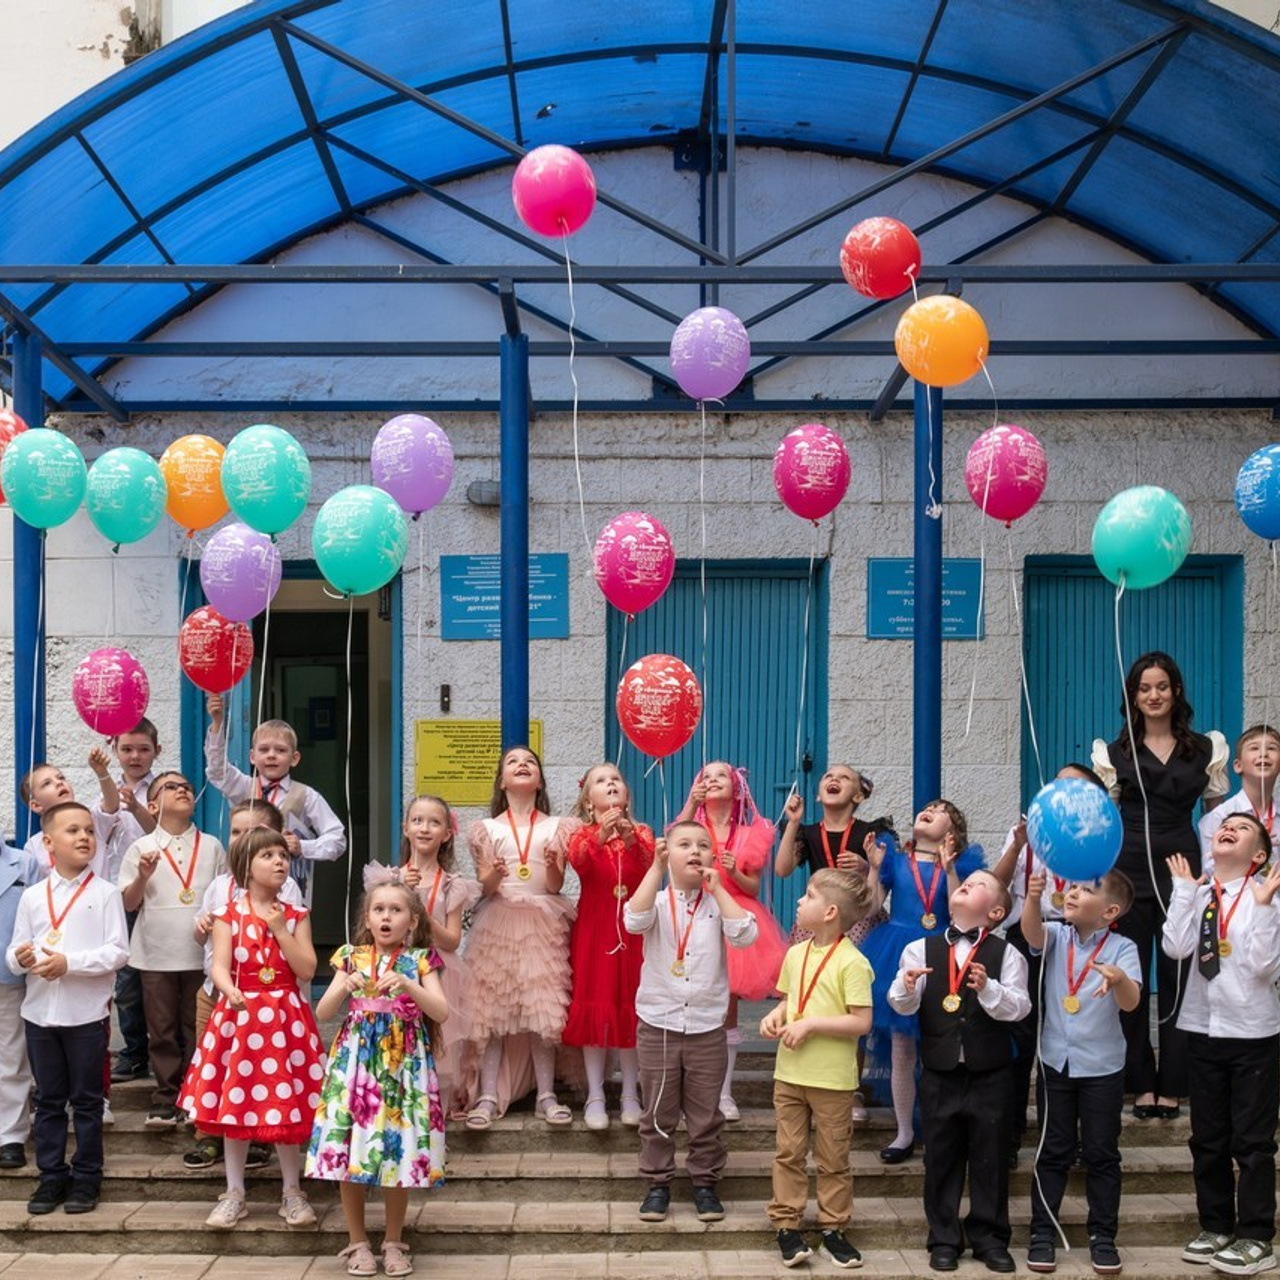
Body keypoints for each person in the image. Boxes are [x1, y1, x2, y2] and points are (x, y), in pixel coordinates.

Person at [1092, 651, 1229, 1119]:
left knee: (1179, 976)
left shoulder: (1206, 749)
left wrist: (1217, 874)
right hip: (1126, 872)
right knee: (1131, 972)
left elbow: (1217, 819)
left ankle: (1173, 1082)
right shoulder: (1113, 754)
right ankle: (1140, 1083)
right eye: (1144, 688)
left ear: (1176, 692)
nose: (1154, 695)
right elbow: (1104, 822)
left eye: (1162, 687)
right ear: (1133, 695)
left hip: (1184, 871)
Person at [179, 828, 325, 1231]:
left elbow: (307, 969)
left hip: (284, 1015)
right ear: (246, 865)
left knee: (285, 1101)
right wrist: (229, 991)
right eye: (268, 856)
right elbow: (219, 965)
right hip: (240, 1018)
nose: (280, 862)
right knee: (236, 1103)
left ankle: (292, 1191)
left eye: (282, 855)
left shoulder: (296, 915)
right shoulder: (227, 914)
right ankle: (234, 1192)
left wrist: (280, 929)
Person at [888, 870, 1030, 1274]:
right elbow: (903, 1006)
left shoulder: (1008, 955)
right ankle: (944, 1237)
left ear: (997, 911)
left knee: (992, 1156)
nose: (967, 883)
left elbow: (1020, 1008)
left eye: (980, 884)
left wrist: (988, 989)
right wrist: (905, 984)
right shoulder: (919, 949)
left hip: (991, 1072)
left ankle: (989, 1237)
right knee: (941, 1157)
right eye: (965, 882)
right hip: (940, 1070)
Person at [308, 881, 448, 1278]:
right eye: (379, 910)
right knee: (351, 1146)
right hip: (356, 1067)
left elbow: (441, 1012)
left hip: (403, 1068)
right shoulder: (350, 957)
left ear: (412, 920)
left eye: (396, 910)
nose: (386, 916)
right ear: (367, 920)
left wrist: (409, 985)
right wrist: (344, 988)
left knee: (397, 1148)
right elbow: (323, 1011)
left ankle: (392, 1241)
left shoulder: (421, 959)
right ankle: (357, 1242)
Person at [624, 821, 758, 1225]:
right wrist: (653, 868)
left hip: (706, 1027)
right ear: (669, 854)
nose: (694, 850)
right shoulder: (658, 901)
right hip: (659, 1023)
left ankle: (704, 1183)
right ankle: (658, 1184)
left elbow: (745, 935)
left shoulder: (717, 903)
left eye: (703, 844)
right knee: (658, 1110)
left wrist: (719, 889)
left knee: (705, 1112)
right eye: (684, 844)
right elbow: (633, 920)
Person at [1164, 815, 1280, 1275]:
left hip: (1252, 1033)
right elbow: (1174, 947)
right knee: (1207, 1139)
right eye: (1223, 825)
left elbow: (1263, 967)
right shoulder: (1202, 893)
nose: (1227, 828)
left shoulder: (1265, 896)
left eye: (1242, 827)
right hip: (1203, 1028)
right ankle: (1215, 1226)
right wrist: (1182, 891)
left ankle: (1256, 1238)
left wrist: (1267, 906)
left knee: (1252, 1142)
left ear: (1258, 856)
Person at [5, 802, 128, 1215]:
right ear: (48, 842)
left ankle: (87, 1178)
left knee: (88, 1100)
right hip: (39, 1015)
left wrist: (70, 964)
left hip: (86, 1017)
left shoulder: (106, 893)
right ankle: (51, 1176)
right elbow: (15, 948)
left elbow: (118, 952)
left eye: (89, 831)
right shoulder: (34, 896)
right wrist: (19, 960)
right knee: (50, 1100)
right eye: (72, 830)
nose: (83, 838)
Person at [1022, 870, 1142, 1276]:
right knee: (1052, 1151)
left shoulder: (1123, 948)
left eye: (1086, 890)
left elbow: (1130, 1004)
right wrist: (1032, 898)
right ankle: (1042, 1232)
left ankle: (1103, 1236)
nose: (1073, 891)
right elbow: (1032, 934)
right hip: (1056, 1061)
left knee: (1101, 1153)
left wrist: (1119, 979)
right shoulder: (1056, 934)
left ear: (1109, 912)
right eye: (1072, 886)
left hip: (1103, 1066)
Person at [991, 763, 1106, 1167]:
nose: (1063, 790)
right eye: (1058, 784)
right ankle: (1009, 1134)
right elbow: (997, 885)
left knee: (1065, 1036)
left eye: (1075, 786)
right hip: (1028, 933)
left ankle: (1059, 1136)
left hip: (1076, 936)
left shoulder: (1098, 836)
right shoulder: (1027, 831)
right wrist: (1018, 845)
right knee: (1021, 1036)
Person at [459, 746, 580, 1129]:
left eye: (530, 762)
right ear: (501, 780)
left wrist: (554, 864)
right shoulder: (486, 829)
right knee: (493, 1010)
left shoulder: (559, 826)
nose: (522, 765)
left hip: (544, 918)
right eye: (512, 762)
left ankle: (547, 1094)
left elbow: (557, 883)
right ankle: (488, 1095)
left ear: (540, 780)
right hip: (499, 919)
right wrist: (494, 872)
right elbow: (486, 886)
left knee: (541, 1009)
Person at [761, 868, 875, 1270]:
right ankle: (787, 1225)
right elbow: (790, 1002)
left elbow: (861, 1022)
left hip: (832, 1080)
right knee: (788, 1152)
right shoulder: (795, 953)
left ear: (829, 912)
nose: (798, 901)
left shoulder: (853, 962)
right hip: (789, 1075)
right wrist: (776, 1016)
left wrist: (811, 1025)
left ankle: (833, 1228)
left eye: (807, 895)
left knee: (833, 1158)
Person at [860, 800, 983, 1163]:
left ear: (952, 831)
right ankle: (904, 1132)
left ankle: (942, 1125)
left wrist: (950, 870)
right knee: (901, 1048)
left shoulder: (961, 865)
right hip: (898, 953)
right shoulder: (895, 862)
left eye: (940, 809)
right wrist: (873, 869)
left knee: (941, 1040)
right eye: (926, 807)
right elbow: (870, 909)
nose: (928, 809)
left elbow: (965, 913)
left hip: (942, 951)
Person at [182, 799, 300, 1171]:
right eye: (236, 832)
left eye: (252, 833)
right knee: (221, 1070)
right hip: (218, 996)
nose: (241, 838)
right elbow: (207, 941)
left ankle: (262, 1139)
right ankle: (210, 1138)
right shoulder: (218, 887)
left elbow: (292, 943)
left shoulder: (289, 890)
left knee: (266, 1073)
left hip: (270, 1002)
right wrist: (201, 927)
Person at [776, 764, 890, 1123]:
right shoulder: (809, 832)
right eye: (827, 776)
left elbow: (873, 902)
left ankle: (850, 1086)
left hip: (859, 925)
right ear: (818, 793)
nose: (833, 779)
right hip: (816, 926)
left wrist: (866, 868)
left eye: (844, 777)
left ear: (857, 795)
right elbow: (781, 869)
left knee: (847, 1004)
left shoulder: (871, 833)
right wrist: (792, 822)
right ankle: (803, 1080)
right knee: (806, 997)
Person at [680, 761, 789, 1119]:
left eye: (720, 776)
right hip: (695, 914)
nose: (711, 780)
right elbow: (675, 848)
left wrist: (731, 872)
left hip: (733, 916)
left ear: (736, 786)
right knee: (693, 1004)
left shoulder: (751, 832)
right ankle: (692, 1091)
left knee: (728, 1013)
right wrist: (688, 805)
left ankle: (724, 1094)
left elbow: (753, 887)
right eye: (704, 776)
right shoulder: (693, 826)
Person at [118, 771, 227, 1129]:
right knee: (161, 1028)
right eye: (172, 787)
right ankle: (166, 1096)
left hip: (201, 952)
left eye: (187, 788)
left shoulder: (211, 845)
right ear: (152, 805)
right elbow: (130, 903)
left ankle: (197, 1095)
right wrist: (143, 876)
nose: (182, 791)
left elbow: (226, 895)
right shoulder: (141, 848)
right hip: (154, 951)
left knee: (197, 1026)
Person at [364, 793, 476, 1116]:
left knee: (437, 1048)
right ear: (406, 829)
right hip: (394, 970)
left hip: (439, 972)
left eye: (434, 822)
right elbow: (372, 928)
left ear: (447, 833)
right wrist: (400, 887)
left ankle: (432, 1113)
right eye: (417, 821)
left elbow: (452, 940)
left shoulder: (452, 884)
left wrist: (421, 912)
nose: (424, 828)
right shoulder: (387, 878)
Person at [562, 763, 655, 1130]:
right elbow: (580, 863)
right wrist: (602, 833)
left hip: (634, 930)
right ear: (589, 800)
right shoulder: (581, 835)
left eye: (616, 778)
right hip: (596, 928)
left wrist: (630, 838)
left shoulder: (643, 832)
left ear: (627, 794)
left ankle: (631, 1092)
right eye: (601, 781)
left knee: (632, 1003)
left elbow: (650, 868)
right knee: (596, 1003)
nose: (611, 784)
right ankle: (596, 1094)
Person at [204, 692, 345, 899]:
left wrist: (303, 847)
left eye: (280, 750)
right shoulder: (243, 786)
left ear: (294, 758)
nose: (271, 755)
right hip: (242, 885)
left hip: (286, 887)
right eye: (264, 749)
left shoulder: (306, 796)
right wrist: (217, 723)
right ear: (252, 757)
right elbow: (217, 771)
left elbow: (337, 839)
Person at [101, 719, 161, 1085]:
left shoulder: (164, 787)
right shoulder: (107, 791)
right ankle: (134, 1051)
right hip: (118, 894)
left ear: (156, 751)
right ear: (115, 750)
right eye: (126, 749)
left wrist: (136, 807)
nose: (135, 756)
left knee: (158, 980)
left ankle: (168, 1050)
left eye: (143, 749)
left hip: (157, 895)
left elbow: (165, 830)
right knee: (125, 981)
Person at [0, 839, 42, 1171]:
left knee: (11, 1056)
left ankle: (10, 1136)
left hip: (8, 975)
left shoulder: (23, 862)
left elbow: (41, 916)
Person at [1199, 725, 1280, 874]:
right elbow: (1212, 874)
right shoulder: (1217, 818)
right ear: (1238, 766)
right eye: (1254, 748)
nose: (1264, 753)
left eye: (1272, 748)